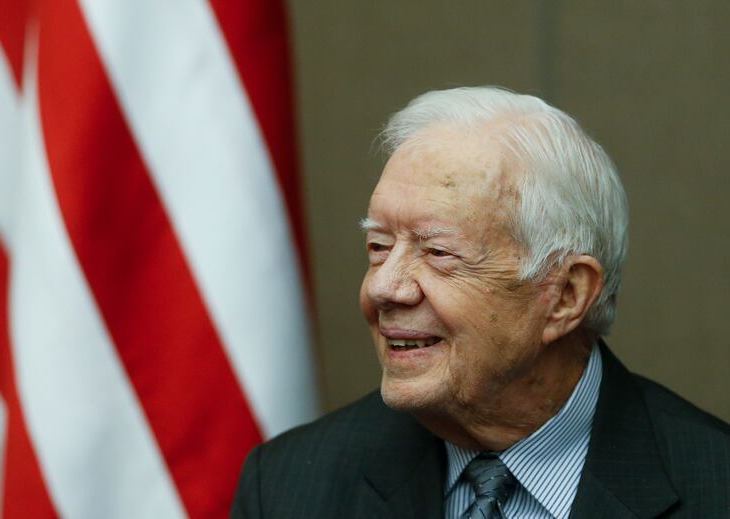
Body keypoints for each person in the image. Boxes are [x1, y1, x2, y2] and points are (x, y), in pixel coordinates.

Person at [231, 87, 730, 518]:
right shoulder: (288, 487)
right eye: (379, 247)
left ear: (566, 296)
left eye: (439, 253)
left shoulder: (713, 488)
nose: (384, 288)